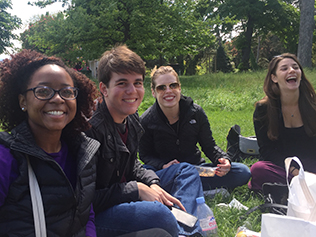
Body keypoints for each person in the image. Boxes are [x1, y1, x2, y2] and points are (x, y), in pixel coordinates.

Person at [86, 45, 204, 237]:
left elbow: (133, 164)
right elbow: (86, 200)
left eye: (138, 83)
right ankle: (184, 225)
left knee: (187, 170)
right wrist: (137, 190)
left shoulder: (131, 117)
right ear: (104, 89)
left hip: (127, 191)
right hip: (100, 212)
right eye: (122, 83)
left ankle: (184, 231)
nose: (132, 91)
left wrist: (152, 182)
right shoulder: (90, 129)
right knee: (159, 215)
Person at [0, 49, 100, 236]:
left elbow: (86, 215)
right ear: (23, 101)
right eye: (43, 91)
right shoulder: (6, 157)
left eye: (67, 92)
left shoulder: (82, 152)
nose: (57, 99)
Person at [139, 66, 251, 192]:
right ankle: (196, 189)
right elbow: (145, 155)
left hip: (196, 169)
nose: (168, 91)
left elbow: (209, 145)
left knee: (242, 172)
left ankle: (182, 188)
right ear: (153, 92)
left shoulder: (195, 112)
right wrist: (163, 165)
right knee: (144, 178)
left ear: (180, 88)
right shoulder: (146, 120)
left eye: (173, 85)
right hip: (167, 172)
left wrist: (223, 160)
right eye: (161, 87)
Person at [248, 53, 316, 191]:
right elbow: (267, 151)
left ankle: (295, 188)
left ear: (300, 74)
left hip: (311, 164)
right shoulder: (264, 109)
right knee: (258, 169)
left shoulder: (313, 105)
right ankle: (301, 187)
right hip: (284, 168)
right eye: (284, 68)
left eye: (295, 67)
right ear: (274, 78)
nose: (291, 70)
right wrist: (297, 174)